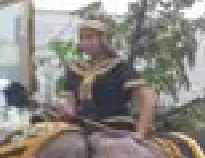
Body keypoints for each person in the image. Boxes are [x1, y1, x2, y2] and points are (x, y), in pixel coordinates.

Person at [59, 9, 157, 137]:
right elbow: (70, 103)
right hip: (81, 129)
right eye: (82, 38)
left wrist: (141, 132)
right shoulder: (74, 69)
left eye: (90, 37)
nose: (84, 42)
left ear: (104, 39)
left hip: (115, 129)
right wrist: (65, 110)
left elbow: (149, 96)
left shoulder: (119, 66)